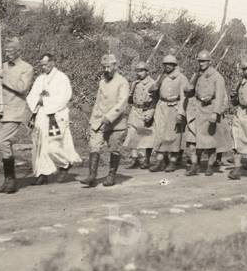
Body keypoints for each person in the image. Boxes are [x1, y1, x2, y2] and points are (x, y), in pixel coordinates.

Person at [0, 38, 35, 195]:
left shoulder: (26, 68)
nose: (7, 54)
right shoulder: (1, 68)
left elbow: (22, 88)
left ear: (18, 51)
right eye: (6, 51)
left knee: (2, 141)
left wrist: (5, 77)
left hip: (14, 112)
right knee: (5, 147)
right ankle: (8, 181)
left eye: (11, 51)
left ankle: (11, 181)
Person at [25, 53, 80, 184]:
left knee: (53, 146)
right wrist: (38, 100)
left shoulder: (62, 78)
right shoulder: (40, 79)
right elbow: (31, 96)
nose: (43, 67)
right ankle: (42, 174)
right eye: (41, 65)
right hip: (41, 116)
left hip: (56, 115)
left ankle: (65, 164)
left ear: (52, 63)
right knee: (39, 145)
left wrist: (44, 101)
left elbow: (63, 98)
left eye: (45, 64)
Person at [83, 53, 129, 188]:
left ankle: (111, 175)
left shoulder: (122, 82)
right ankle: (92, 175)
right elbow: (98, 102)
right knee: (94, 145)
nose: (106, 70)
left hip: (115, 122)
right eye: (103, 67)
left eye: (108, 67)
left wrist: (109, 117)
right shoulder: (102, 82)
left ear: (115, 66)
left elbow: (122, 103)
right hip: (99, 120)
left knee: (114, 148)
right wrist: (93, 120)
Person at [185, 49, 227, 176]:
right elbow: (188, 91)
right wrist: (193, 79)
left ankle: (209, 166)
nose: (201, 63)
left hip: (210, 110)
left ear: (209, 62)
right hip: (197, 110)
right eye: (199, 61)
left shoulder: (217, 77)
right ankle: (194, 165)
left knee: (210, 142)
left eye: (204, 61)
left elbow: (220, 96)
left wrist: (216, 113)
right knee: (193, 141)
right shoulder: (197, 75)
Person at [148, 54, 190, 173]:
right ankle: (160, 161)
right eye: (165, 64)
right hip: (162, 107)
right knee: (160, 134)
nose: (167, 66)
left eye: (170, 64)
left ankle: (172, 161)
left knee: (174, 136)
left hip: (175, 107)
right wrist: (157, 83)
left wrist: (181, 113)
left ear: (174, 65)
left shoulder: (181, 78)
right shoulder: (162, 77)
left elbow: (184, 97)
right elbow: (151, 90)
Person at [125, 60, 157, 169]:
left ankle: (146, 160)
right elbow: (130, 99)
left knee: (147, 135)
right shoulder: (135, 83)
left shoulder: (152, 83)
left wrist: (150, 113)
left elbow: (155, 101)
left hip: (146, 110)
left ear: (147, 71)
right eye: (137, 71)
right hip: (135, 110)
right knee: (132, 133)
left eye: (142, 71)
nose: (139, 73)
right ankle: (135, 159)